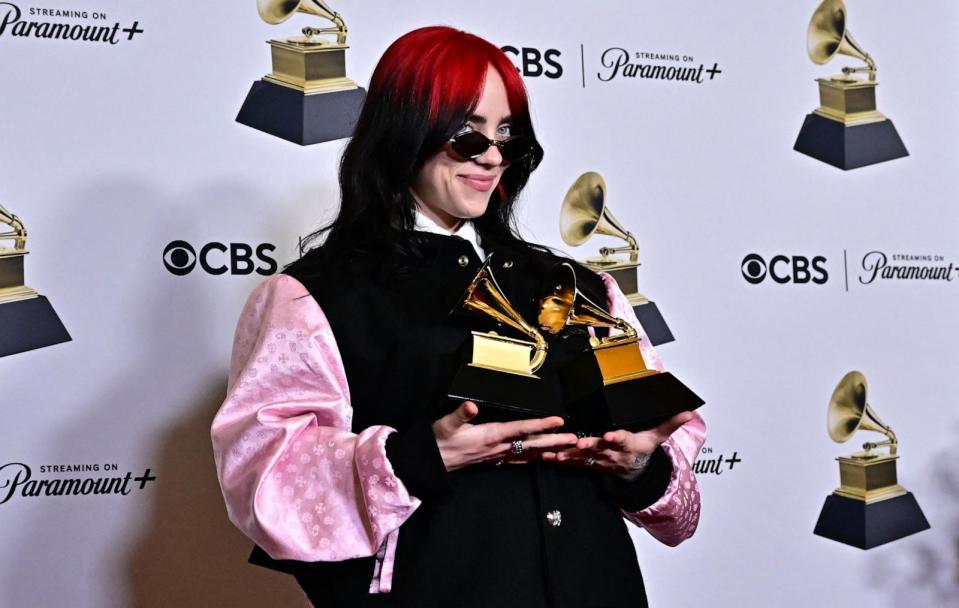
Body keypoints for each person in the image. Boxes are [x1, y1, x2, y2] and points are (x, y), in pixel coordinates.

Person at [211, 25, 706, 608]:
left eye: (508, 137)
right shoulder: (309, 297)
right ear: (406, 131)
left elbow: (676, 510)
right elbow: (267, 484)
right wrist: (417, 457)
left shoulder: (582, 287)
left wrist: (639, 463)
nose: (493, 156)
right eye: (468, 137)